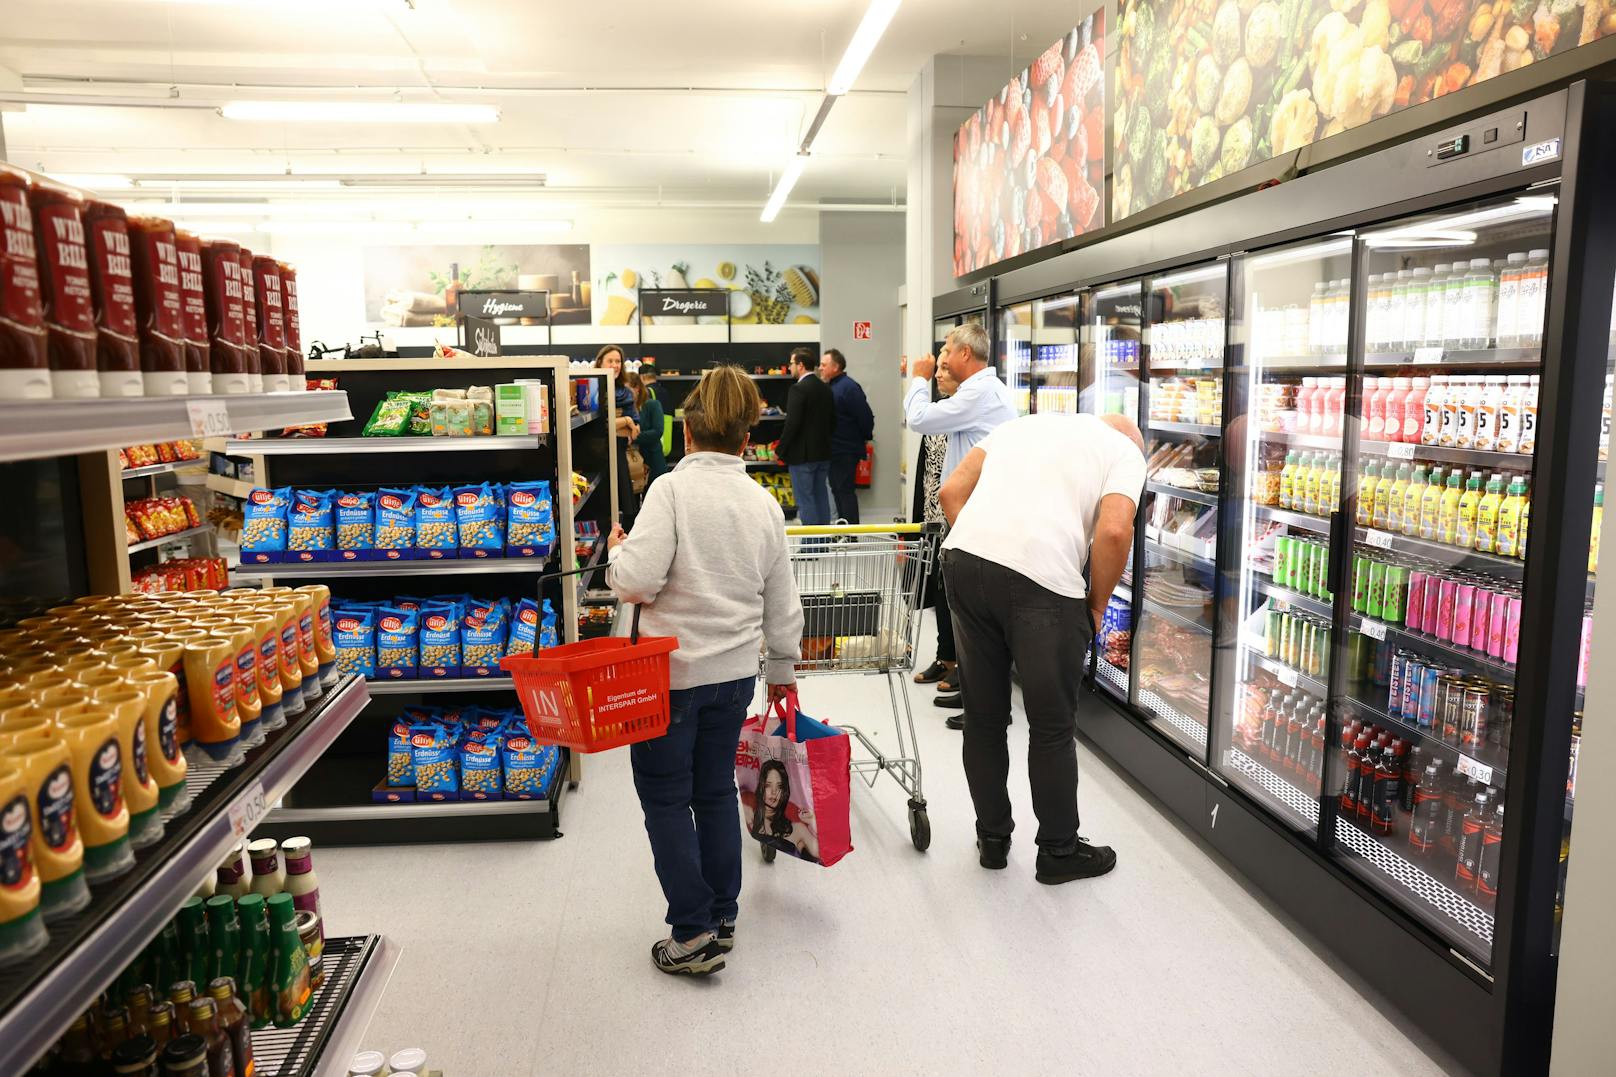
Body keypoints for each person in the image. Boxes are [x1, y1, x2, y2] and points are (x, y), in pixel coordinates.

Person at [606, 365, 804, 976]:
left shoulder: (669, 490)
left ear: (686, 434)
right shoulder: (763, 502)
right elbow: (782, 599)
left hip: (668, 676)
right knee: (715, 789)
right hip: (735, 673)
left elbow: (637, 581)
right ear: (747, 440)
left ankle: (690, 933)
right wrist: (784, 668)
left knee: (666, 797)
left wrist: (617, 553)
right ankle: (723, 915)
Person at [939, 411, 1146, 885]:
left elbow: (951, 493)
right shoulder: (1124, 451)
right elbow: (1115, 531)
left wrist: (987, 552)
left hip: (965, 561)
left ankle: (992, 838)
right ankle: (1058, 850)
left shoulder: (1021, 426)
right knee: (1051, 725)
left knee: (984, 718)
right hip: (1044, 585)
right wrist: (1096, 604)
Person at [903, 321, 1017, 719]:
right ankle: (974, 692)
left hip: (980, 517)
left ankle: (984, 705)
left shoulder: (980, 393)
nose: (942, 360)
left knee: (978, 616)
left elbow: (918, 418)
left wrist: (917, 379)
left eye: (948, 350)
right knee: (968, 612)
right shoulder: (978, 391)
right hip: (972, 514)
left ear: (965, 354)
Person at [910, 365, 957, 699]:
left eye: (944, 368)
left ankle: (963, 666)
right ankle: (947, 658)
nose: (938, 375)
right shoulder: (940, 413)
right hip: (936, 520)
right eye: (937, 369)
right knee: (941, 594)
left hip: (960, 521)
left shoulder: (965, 414)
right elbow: (926, 469)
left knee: (958, 598)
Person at [776, 346, 834, 526]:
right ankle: (823, 544)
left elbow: (792, 424)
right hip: (823, 453)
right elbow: (833, 421)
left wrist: (780, 449)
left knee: (805, 500)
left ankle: (810, 547)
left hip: (802, 457)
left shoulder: (798, 389)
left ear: (800, 365)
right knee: (821, 497)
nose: (790, 367)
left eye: (792, 363)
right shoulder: (826, 388)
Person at [819, 348, 874, 524]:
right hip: (835, 449)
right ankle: (843, 530)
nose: (820, 368)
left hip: (845, 450)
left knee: (845, 491)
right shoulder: (833, 387)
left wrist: (863, 438)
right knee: (837, 490)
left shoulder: (848, 387)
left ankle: (850, 534)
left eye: (823, 364)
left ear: (835, 367)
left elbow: (865, 417)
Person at [595, 345, 641, 529]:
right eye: (610, 360)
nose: (615, 365)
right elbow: (600, 426)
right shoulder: (593, 390)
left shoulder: (625, 392)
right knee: (603, 510)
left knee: (628, 509)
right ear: (600, 363)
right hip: (598, 456)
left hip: (620, 454)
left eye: (618, 361)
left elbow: (635, 430)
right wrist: (626, 420)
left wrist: (625, 422)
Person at [748, 759, 820, 863]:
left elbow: (821, 852)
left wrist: (812, 822)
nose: (774, 792)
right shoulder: (749, 814)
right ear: (761, 786)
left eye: (780, 786)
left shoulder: (797, 829)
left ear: (784, 790)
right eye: (768, 785)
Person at [628, 369, 669, 488]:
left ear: (637, 388)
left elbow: (658, 431)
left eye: (627, 389)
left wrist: (632, 436)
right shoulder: (624, 408)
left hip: (653, 461)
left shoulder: (652, 405)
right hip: (632, 462)